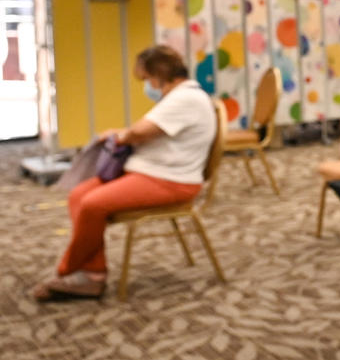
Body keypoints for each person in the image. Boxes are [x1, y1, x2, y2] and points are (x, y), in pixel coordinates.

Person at [33, 45, 216, 300]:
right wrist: (123, 133)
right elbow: (147, 131)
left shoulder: (185, 99)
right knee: (78, 196)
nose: (147, 86)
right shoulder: (180, 97)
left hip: (171, 179)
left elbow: (138, 132)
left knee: (91, 205)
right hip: (151, 171)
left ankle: (69, 271)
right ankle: (93, 272)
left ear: (158, 74)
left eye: (147, 79)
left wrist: (121, 134)